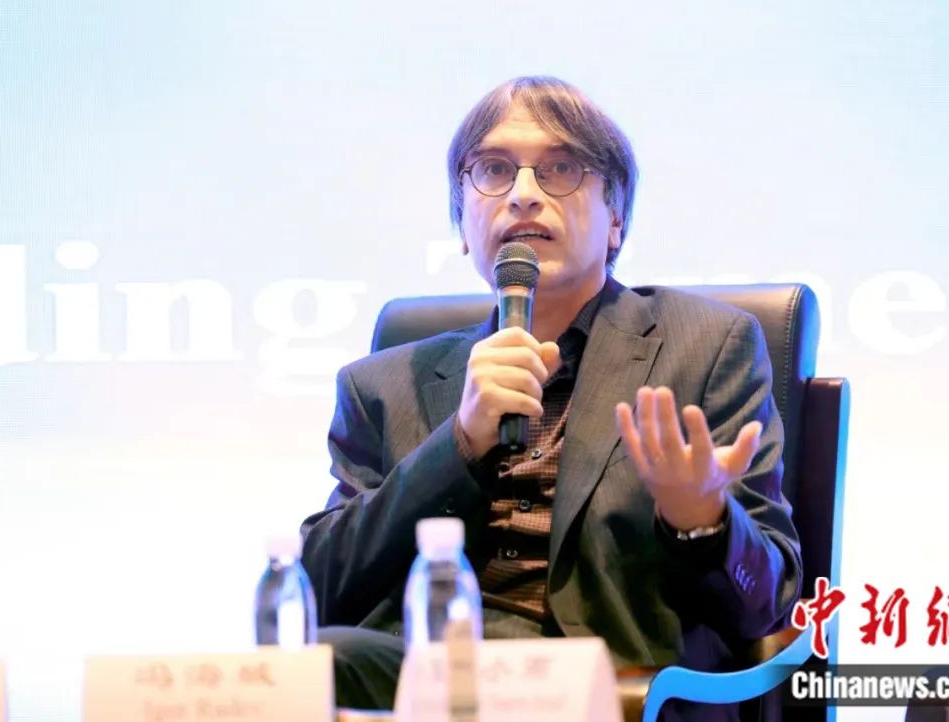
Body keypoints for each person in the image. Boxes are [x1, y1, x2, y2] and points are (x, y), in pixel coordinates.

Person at [300, 76, 802, 721]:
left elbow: (768, 605)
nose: (523, 195)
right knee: (318, 663)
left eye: (561, 168)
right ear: (462, 223)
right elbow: (316, 592)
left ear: (615, 218)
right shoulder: (381, 384)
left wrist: (701, 519)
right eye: (493, 170)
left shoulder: (707, 346)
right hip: (428, 687)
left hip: (613, 688)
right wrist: (458, 444)